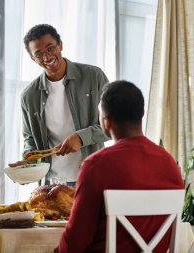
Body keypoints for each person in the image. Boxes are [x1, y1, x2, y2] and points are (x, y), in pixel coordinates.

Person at [56, 80, 184, 253]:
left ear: (106, 122)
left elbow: (74, 244)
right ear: (142, 114)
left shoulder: (96, 165)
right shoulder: (169, 163)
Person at [10, 24, 109, 184]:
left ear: (60, 45)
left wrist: (81, 138)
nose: (47, 57)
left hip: (92, 178)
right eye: (39, 54)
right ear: (32, 58)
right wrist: (29, 162)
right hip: (52, 183)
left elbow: (112, 125)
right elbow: (30, 138)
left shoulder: (93, 76)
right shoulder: (29, 95)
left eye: (50, 48)